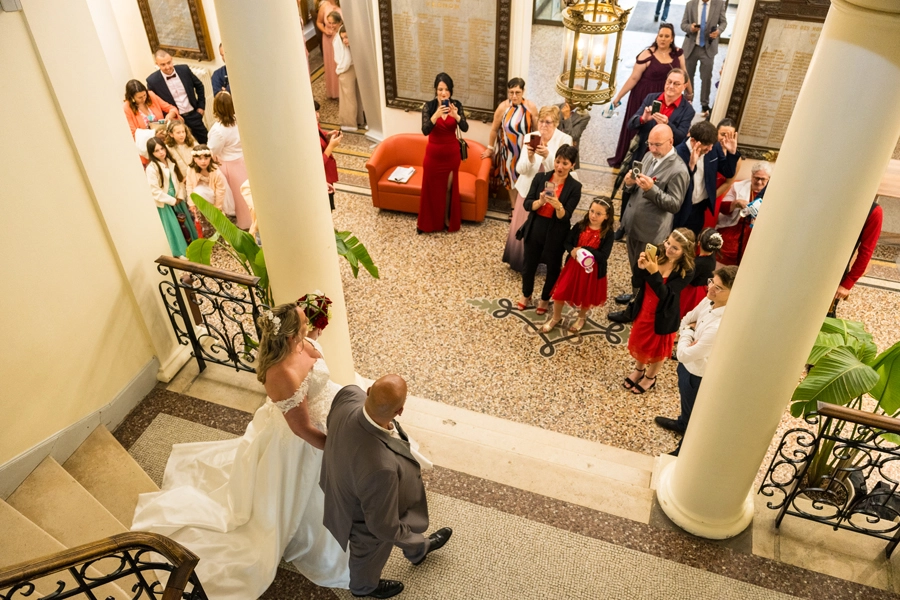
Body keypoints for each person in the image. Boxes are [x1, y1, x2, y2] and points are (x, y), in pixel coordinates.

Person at [132, 301, 353, 598]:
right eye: (304, 324)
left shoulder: (301, 342)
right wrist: (336, 449)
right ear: (290, 336)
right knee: (302, 491)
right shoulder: (282, 374)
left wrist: (316, 326)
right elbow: (301, 429)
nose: (309, 326)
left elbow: (313, 357)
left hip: (325, 414)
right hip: (302, 441)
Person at [320, 375, 452, 599]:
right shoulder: (381, 468)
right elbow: (383, 526)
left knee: (393, 533)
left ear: (368, 390)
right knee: (368, 552)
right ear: (400, 410)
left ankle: (418, 551)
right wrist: (408, 535)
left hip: (338, 481)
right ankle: (363, 588)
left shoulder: (348, 394)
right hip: (359, 514)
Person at [608, 124, 690, 321]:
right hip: (633, 225)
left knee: (645, 270)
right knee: (635, 267)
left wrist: (652, 189)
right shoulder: (647, 156)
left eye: (657, 145)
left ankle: (634, 310)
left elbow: (675, 204)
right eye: (650, 143)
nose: (652, 149)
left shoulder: (679, 170)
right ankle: (635, 295)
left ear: (670, 142)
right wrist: (629, 184)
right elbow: (635, 189)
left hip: (651, 232)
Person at [655, 265, 738, 455]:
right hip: (687, 367)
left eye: (718, 287)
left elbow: (683, 353)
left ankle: (683, 450)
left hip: (698, 375)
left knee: (695, 415)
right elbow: (686, 319)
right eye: (712, 282)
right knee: (686, 404)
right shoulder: (709, 300)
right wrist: (689, 331)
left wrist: (688, 332)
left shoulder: (719, 325)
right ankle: (682, 423)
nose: (710, 288)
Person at [622, 228, 696, 395]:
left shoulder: (687, 271)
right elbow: (637, 283)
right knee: (641, 342)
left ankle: (650, 377)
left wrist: (654, 272)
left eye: (675, 248)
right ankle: (639, 370)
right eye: (668, 242)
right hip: (644, 308)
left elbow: (665, 295)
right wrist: (640, 268)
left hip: (664, 315)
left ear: (685, 251)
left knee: (658, 349)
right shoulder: (658, 253)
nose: (668, 248)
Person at [606, 24, 689, 168]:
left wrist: (689, 93)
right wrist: (618, 97)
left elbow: (684, 74)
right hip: (643, 95)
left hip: (667, 95)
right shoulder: (647, 54)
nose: (663, 39)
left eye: (666, 36)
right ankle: (629, 158)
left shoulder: (677, 54)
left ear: (672, 38)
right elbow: (633, 78)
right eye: (660, 35)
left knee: (660, 126)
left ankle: (652, 159)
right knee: (639, 125)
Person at [503, 105, 573, 271]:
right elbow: (521, 169)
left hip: (550, 190)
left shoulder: (564, 140)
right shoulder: (531, 137)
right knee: (523, 225)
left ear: (556, 123)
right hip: (528, 189)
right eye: (541, 121)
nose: (543, 126)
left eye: (548, 122)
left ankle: (538, 261)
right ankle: (519, 261)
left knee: (541, 228)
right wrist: (529, 157)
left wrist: (547, 156)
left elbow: (561, 170)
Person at [518, 145, 582, 314]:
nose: (560, 166)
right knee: (529, 264)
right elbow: (527, 204)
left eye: (565, 163)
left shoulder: (575, 187)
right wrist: (540, 202)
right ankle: (526, 294)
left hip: (557, 231)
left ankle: (545, 298)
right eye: (557, 161)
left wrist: (558, 205)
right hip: (536, 225)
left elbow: (566, 216)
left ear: (572, 165)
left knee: (553, 267)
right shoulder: (541, 178)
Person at [541, 198, 615, 333]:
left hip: (591, 271)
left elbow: (603, 256)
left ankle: (581, 317)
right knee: (560, 291)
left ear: (607, 216)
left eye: (598, 214)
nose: (593, 215)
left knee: (586, 295)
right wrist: (572, 250)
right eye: (592, 211)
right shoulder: (580, 226)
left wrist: (584, 249)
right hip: (573, 266)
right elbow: (567, 242)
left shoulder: (608, 233)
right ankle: (556, 317)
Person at [418, 73, 469, 233]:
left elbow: (465, 127)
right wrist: (436, 116)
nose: (443, 93)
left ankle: (446, 219)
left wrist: (456, 116)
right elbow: (425, 130)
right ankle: (427, 223)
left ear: (450, 91)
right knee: (430, 188)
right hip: (433, 156)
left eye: (446, 89)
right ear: (436, 90)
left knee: (447, 189)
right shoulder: (429, 107)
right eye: (440, 89)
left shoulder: (456, 105)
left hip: (451, 155)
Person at [672, 120, 739, 234]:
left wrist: (732, 153)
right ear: (693, 141)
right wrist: (691, 167)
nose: (710, 149)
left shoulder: (713, 147)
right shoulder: (677, 153)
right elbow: (676, 184)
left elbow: (728, 172)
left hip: (699, 208)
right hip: (681, 209)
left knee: (692, 241)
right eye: (707, 145)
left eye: (712, 145)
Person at [483, 78, 538, 206]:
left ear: (523, 91)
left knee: (525, 178)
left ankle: (522, 208)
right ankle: (514, 207)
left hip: (525, 151)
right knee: (510, 180)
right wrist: (490, 148)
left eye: (517, 92)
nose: (514, 96)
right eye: (511, 92)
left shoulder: (530, 107)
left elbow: (536, 130)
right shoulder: (503, 107)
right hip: (508, 152)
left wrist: (535, 150)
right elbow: (494, 130)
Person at [828, 200, 884, 317]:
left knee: (825, 318)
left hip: (834, 275)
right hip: (803, 268)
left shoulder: (874, 211)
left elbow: (866, 251)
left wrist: (847, 283)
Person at [207, 91, 252, 230]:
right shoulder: (240, 119)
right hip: (243, 159)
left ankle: (246, 223)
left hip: (229, 164)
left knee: (239, 197)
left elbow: (213, 150)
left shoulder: (218, 130)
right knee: (248, 191)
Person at [145, 138, 196, 257]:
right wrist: (172, 200)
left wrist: (180, 196)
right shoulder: (151, 168)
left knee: (185, 224)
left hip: (177, 199)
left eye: (162, 148)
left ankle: (192, 247)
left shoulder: (170, 161)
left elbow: (179, 181)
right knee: (174, 227)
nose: (161, 152)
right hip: (166, 202)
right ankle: (180, 251)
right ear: (152, 153)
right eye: (156, 151)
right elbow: (154, 191)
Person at [146, 50, 208, 144]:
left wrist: (201, 106)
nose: (167, 67)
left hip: (193, 115)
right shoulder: (152, 81)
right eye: (163, 64)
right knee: (184, 146)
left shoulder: (184, 70)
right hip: (175, 121)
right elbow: (155, 103)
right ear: (157, 64)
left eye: (169, 63)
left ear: (172, 59)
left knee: (206, 141)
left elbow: (199, 86)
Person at [716, 162, 772, 266]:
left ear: (769, 179)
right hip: (735, 226)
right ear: (752, 175)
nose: (759, 182)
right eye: (756, 178)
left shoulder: (774, 192)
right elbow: (722, 208)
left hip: (759, 230)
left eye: (763, 179)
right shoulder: (738, 186)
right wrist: (735, 203)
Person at [681, 0, 728, 115]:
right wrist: (690, 28)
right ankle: (687, 101)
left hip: (708, 48)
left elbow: (723, 23)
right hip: (691, 47)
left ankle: (704, 103)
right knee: (688, 76)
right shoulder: (690, 4)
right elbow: (683, 25)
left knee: (706, 77)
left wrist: (718, 31)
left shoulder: (719, 4)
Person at [704, 119, 742, 229]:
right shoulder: (708, 150)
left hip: (715, 196)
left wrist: (710, 197)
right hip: (701, 192)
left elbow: (728, 182)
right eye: (722, 134)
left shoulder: (736, 158)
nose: (725, 138)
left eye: (729, 136)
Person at [679, 228, 722, 319]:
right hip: (701, 289)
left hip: (691, 292)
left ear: (699, 243)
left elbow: (685, 278)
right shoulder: (711, 255)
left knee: (683, 312)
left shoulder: (699, 263)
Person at [333, 23, 366, 132]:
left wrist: (339, 70)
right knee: (353, 97)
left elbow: (345, 61)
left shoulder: (355, 43)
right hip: (350, 68)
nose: (344, 41)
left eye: (347, 37)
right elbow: (344, 59)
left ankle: (352, 123)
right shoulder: (339, 43)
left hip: (349, 69)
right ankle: (355, 121)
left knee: (350, 98)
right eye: (343, 38)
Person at [186, 144, 231, 215]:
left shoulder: (216, 171)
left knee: (220, 211)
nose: (203, 161)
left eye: (206, 158)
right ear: (194, 159)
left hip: (215, 191)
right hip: (201, 193)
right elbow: (189, 186)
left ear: (210, 158)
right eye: (200, 159)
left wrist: (217, 207)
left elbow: (220, 190)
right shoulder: (191, 169)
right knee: (198, 191)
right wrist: (191, 203)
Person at [316, 100, 342, 211]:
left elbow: (319, 133)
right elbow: (317, 164)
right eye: (314, 112)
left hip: (327, 177)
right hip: (321, 178)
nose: (317, 115)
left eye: (317, 111)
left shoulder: (314, 125)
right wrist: (331, 146)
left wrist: (327, 135)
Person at [316, 0, 341, 100]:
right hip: (329, 39)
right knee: (332, 64)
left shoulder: (343, 4)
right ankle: (335, 91)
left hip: (342, 38)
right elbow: (319, 22)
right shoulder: (324, 6)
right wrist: (325, 30)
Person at [557, 98, 590, 168]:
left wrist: (567, 118)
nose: (568, 99)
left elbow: (572, 136)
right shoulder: (557, 107)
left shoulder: (584, 116)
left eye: (572, 97)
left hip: (568, 151)